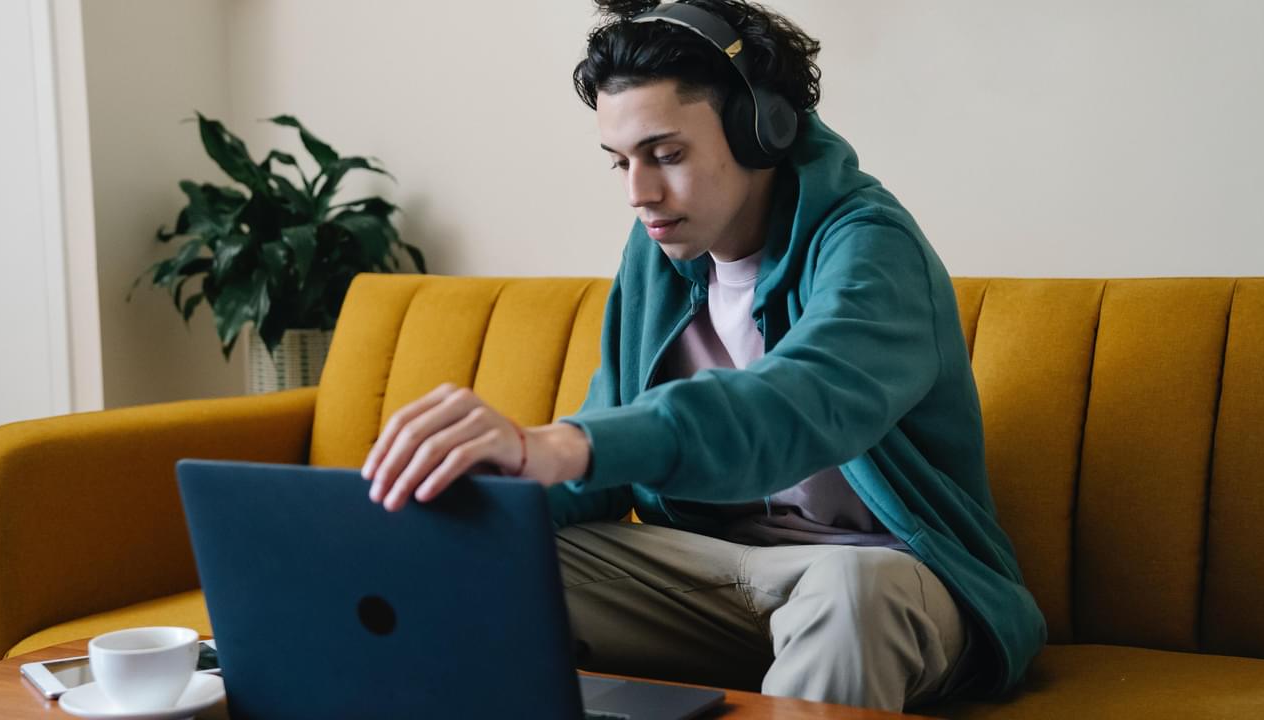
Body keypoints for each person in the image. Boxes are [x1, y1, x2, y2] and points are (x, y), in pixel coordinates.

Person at [359, 0, 1045, 711]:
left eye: (666, 155)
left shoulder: (871, 247)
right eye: (620, 162)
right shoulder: (657, 251)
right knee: (485, 559)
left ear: (761, 130)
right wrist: (479, 499)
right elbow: (608, 454)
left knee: (855, 591)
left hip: (890, 580)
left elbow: (795, 405)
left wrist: (566, 443)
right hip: (714, 581)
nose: (639, 193)